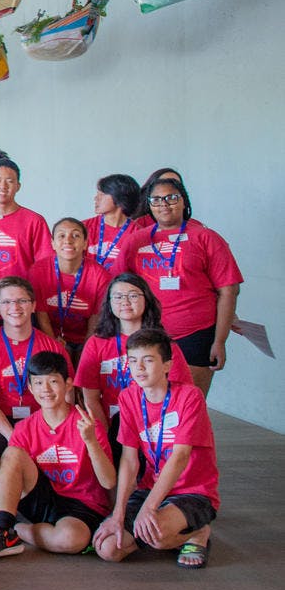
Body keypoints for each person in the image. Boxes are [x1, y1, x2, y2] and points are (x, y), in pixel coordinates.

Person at [0, 352, 115, 558]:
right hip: (42, 499)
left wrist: (90, 441)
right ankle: (2, 531)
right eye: (39, 383)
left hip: (83, 504)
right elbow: (9, 483)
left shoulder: (88, 425)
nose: (46, 389)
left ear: (68, 385)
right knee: (13, 453)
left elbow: (108, 482)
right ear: (30, 388)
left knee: (71, 539)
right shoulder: (24, 428)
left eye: (53, 381)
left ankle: (11, 525)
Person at [94, 329, 219, 569]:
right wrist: (118, 514)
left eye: (148, 360)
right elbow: (130, 461)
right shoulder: (129, 397)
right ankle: (164, 532)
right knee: (107, 548)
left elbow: (180, 456)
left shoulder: (189, 397)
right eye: (133, 361)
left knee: (158, 535)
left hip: (191, 491)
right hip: (149, 487)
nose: (139, 368)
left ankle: (197, 533)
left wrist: (149, 508)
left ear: (167, 366)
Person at [118, 176, 241, 396]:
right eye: (156, 200)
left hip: (196, 334)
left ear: (184, 201)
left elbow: (228, 290)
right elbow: (117, 287)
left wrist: (220, 341)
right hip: (149, 335)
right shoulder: (136, 241)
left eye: (171, 198)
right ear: (149, 205)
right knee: (152, 403)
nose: (163, 204)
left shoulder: (206, 237)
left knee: (190, 402)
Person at [0, 277, 71, 477]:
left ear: (33, 306)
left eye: (22, 301)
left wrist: (51, 430)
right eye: (6, 302)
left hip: (42, 418)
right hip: (1, 418)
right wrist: (12, 435)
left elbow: (67, 396)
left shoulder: (52, 346)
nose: (14, 307)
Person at [75, 273, 194, 442]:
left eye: (133, 295)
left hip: (153, 430)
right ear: (109, 303)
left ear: (146, 299)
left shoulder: (164, 344)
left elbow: (179, 395)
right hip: (109, 426)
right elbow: (90, 398)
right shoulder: (96, 343)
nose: (125, 301)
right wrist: (107, 437)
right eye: (117, 296)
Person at [30, 217, 108, 357]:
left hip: (85, 338)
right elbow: (41, 314)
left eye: (76, 235)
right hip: (50, 335)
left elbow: (96, 317)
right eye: (61, 235)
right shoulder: (38, 271)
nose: (68, 240)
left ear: (85, 244)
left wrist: (86, 348)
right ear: (52, 243)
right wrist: (53, 341)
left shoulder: (99, 275)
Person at [0, 159, 49, 284]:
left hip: (21, 298)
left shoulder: (34, 221)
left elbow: (45, 266)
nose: (3, 186)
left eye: (9, 181)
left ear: (18, 186)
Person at [84, 173, 142, 273]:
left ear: (119, 198)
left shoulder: (139, 234)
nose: (96, 198)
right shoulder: (83, 228)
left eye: (102, 194)